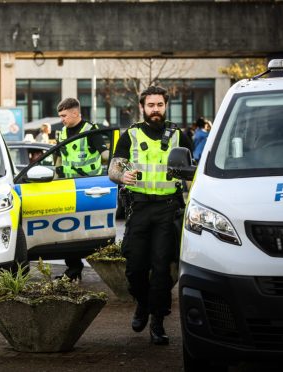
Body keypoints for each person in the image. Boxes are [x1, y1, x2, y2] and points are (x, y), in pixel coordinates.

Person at [108, 86, 193, 345]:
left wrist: (186, 175)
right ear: (142, 107)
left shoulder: (180, 135)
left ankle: (157, 320)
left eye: (159, 105)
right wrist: (122, 175)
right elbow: (113, 168)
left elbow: (194, 169)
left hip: (168, 209)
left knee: (160, 270)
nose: (155, 109)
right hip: (140, 208)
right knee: (134, 269)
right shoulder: (130, 135)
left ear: (166, 106)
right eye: (151, 105)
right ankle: (142, 305)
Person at [55, 98, 109, 280]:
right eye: (60, 116)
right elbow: (59, 159)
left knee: (92, 230)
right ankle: (73, 269)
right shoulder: (61, 133)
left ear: (76, 113)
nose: (61, 119)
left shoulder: (90, 131)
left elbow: (106, 156)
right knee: (68, 231)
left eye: (64, 115)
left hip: (90, 188)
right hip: (68, 186)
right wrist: (54, 180)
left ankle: (104, 267)